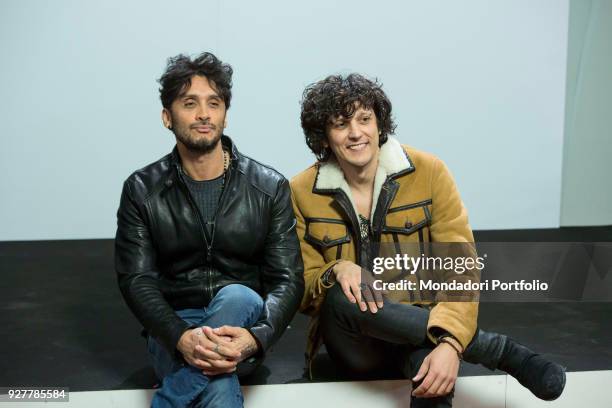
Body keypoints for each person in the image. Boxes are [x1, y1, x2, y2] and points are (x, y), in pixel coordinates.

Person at [290, 73, 565, 407]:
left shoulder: (429, 172)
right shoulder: (301, 191)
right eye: (340, 123)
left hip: (419, 332)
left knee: (432, 376)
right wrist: (337, 270)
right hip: (352, 344)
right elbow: (299, 287)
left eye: (365, 119)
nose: (356, 133)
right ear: (324, 136)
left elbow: (461, 267)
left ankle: (451, 341)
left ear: (380, 124)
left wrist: (450, 343)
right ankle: (499, 350)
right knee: (343, 296)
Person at [115, 52, 304, 408]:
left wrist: (254, 338)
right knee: (217, 387)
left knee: (240, 297)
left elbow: (288, 279)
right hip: (173, 332)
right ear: (167, 117)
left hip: (242, 331)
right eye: (190, 103)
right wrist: (180, 336)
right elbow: (136, 279)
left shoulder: (268, 186)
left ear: (224, 115)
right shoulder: (141, 189)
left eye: (213, 103)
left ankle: (168, 400)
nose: (204, 114)